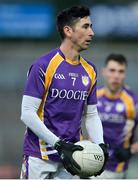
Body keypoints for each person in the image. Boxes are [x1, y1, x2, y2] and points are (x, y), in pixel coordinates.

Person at [20, 5, 108, 179]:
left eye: (91, 27)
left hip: (74, 158)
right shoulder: (43, 66)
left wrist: (101, 145)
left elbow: (91, 115)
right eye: (86, 26)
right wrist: (59, 145)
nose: (92, 33)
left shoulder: (90, 70)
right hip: (39, 157)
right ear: (68, 31)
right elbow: (27, 113)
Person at [96, 54, 138, 179]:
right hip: (90, 162)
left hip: (117, 168)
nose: (116, 76)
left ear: (124, 75)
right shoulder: (93, 97)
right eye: (112, 70)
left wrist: (131, 150)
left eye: (121, 71)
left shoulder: (133, 101)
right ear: (104, 72)